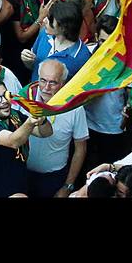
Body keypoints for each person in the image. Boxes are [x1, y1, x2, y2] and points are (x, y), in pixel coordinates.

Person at [0, 77, 51, 197]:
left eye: (6, 95)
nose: (4, 101)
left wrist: (42, 119)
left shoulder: (15, 115)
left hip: (21, 181)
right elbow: (13, 141)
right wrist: (30, 122)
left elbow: (45, 133)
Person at [24, 60, 89, 198]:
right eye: (42, 80)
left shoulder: (75, 107)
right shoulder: (25, 98)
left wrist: (68, 186)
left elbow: (80, 149)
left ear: (63, 84)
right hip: (23, 174)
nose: (46, 87)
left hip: (54, 178)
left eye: (53, 82)